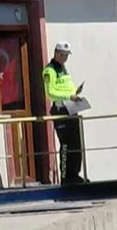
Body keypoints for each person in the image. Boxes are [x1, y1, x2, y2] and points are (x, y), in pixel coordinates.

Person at [43, 42, 85, 185]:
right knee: (66, 145)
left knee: (76, 143)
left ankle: (75, 175)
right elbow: (50, 92)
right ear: (56, 53)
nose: (65, 58)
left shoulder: (64, 68)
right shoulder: (49, 70)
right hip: (60, 109)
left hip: (71, 108)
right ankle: (66, 177)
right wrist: (69, 96)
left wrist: (75, 92)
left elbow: (66, 87)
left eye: (67, 55)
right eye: (62, 55)